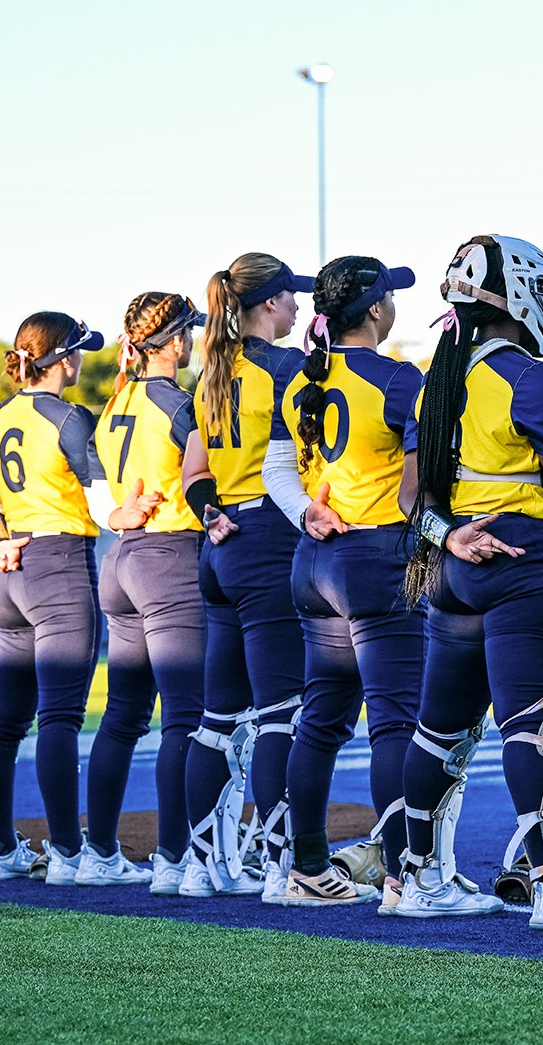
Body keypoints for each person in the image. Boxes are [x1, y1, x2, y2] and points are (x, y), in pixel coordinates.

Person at [398, 234, 543, 927]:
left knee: (438, 733)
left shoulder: (440, 377)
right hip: (522, 559)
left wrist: (449, 536)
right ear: (512, 296)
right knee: (532, 725)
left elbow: (411, 500)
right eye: (537, 292)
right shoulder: (524, 376)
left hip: (453, 565)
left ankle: (420, 878)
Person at [263, 255, 423, 907]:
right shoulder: (398, 377)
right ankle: (404, 877)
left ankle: (303, 868)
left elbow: (279, 470)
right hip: (377, 558)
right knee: (394, 722)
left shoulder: (303, 378)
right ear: (378, 309)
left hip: (315, 558)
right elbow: (416, 492)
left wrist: (309, 512)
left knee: (321, 723)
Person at [178, 253, 312, 901]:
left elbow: (193, 473)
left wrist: (210, 514)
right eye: (291, 299)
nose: (298, 310)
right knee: (281, 714)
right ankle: (284, 866)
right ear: (268, 304)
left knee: (217, 719)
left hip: (222, 543)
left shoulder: (213, 372)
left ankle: (206, 866)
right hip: (265, 540)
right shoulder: (283, 368)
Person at [0, 312, 112, 883]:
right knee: (59, 716)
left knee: (3, 722)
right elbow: (102, 503)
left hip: (10, 571)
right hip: (58, 567)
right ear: (60, 358)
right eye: (76, 351)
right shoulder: (70, 416)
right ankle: (68, 853)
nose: (81, 360)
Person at [78, 292, 209, 890]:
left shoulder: (112, 405)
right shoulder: (179, 402)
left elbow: (104, 498)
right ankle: (175, 857)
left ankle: (98, 851)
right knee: (185, 717)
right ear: (176, 342)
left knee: (123, 715)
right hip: (171, 557)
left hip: (123, 563)